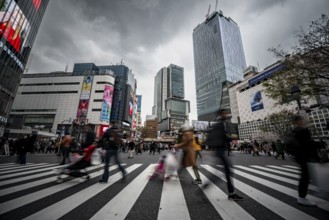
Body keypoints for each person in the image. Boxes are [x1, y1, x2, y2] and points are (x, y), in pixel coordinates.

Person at [204, 109, 243, 200]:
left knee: (225, 172)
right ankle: (231, 193)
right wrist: (229, 140)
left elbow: (219, 137)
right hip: (220, 151)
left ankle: (230, 193)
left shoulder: (218, 124)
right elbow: (221, 137)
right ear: (221, 114)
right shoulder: (220, 124)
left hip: (219, 151)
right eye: (224, 113)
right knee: (227, 172)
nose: (226, 114)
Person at [291, 115, 319, 206]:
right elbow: (308, 145)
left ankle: (303, 196)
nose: (304, 121)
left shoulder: (294, 131)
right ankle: (302, 197)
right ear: (298, 121)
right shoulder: (302, 130)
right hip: (305, 156)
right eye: (302, 120)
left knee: (306, 175)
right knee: (306, 176)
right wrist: (316, 157)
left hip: (300, 156)